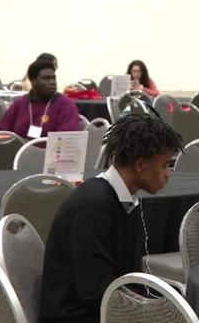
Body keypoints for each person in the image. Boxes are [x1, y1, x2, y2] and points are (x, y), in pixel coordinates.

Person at [39, 114, 183, 323]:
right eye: (165, 165)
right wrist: (152, 311)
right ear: (141, 165)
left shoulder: (120, 198)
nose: (168, 174)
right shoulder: (92, 207)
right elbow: (95, 292)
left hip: (106, 307)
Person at [0, 59, 80, 138]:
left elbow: (67, 139)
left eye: (53, 78)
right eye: (46, 78)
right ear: (33, 81)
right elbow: (2, 132)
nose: (52, 82)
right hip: (20, 150)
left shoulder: (65, 104)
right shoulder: (20, 103)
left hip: (50, 152)